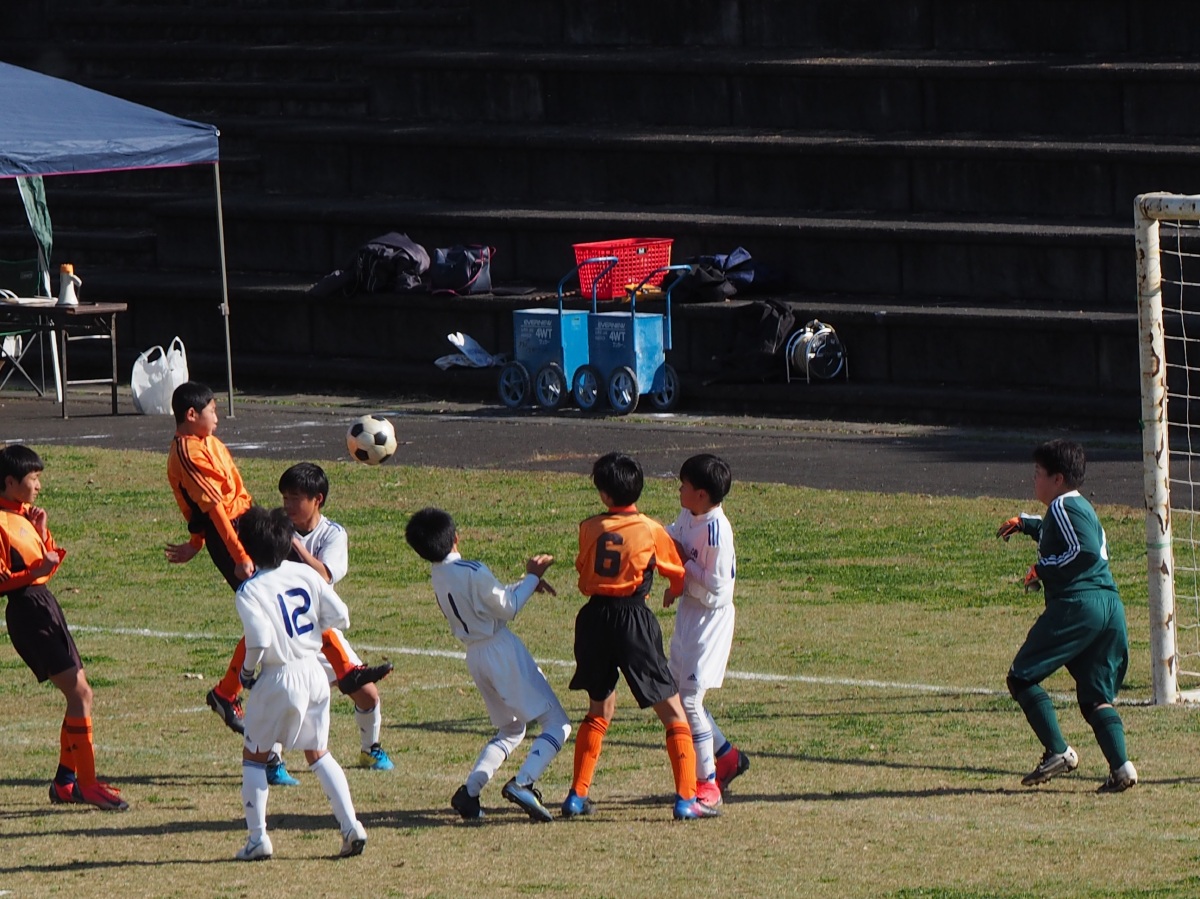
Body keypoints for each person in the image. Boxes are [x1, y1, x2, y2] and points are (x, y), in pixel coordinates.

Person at [165, 382, 389, 779]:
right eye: (213, 410)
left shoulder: (209, 442)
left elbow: (228, 497)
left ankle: (231, 693)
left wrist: (248, 530)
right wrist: (238, 556)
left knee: (289, 602)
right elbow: (212, 512)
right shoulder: (188, 452)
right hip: (232, 538)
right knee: (276, 608)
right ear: (192, 415)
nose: (218, 416)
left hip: (246, 525)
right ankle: (233, 697)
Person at [563, 451, 719, 821]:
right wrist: (673, 591)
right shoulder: (650, 529)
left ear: (604, 495)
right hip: (633, 618)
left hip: (593, 618)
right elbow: (676, 573)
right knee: (673, 710)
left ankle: (576, 795)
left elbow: (583, 570)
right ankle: (686, 799)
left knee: (599, 707)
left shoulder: (589, 527)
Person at [405, 506, 569, 823]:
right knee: (557, 723)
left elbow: (486, 601)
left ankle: (470, 792)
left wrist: (526, 585)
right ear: (456, 537)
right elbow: (507, 609)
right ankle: (523, 783)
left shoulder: (439, 574)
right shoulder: (473, 569)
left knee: (511, 729)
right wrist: (533, 575)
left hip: (476, 655)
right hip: (501, 651)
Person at [997, 438, 1138, 793]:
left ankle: (1058, 751)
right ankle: (1122, 768)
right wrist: (1027, 524)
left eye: (1038, 473)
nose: (1034, 479)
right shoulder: (1077, 507)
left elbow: (1083, 550)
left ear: (1057, 479)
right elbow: (1068, 537)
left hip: (1080, 605)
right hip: (1109, 607)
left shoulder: (1061, 506)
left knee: (1022, 677)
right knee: (1094, 699)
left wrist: (1042, 569)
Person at [233, 505, 367, 860]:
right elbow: (341, 616)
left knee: (254, 756)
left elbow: (258, 639)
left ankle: (258, 839)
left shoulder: (249, 590)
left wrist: (246, 673)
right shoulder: (306, 573)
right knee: (319, 753)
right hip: (314, 673)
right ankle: (351, 826)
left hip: (278, 676)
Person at [0, 444, 128, 811]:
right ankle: (85, 784)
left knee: (80, 694)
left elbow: (48, 564)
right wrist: (35, 571)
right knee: (80, 694)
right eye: (33, 478)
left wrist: (42, 533)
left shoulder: (25, 515)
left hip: (44, 605)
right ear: (10, 482)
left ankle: (66, 782)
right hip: (28, 612)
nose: (38, 485)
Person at [280, 462, 394, 772]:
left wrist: (294, 545)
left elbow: (325, 576)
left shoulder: (332, 534)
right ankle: (272, 761)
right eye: (285, 498)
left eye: (295, 498)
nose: (288, 505)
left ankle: (370, 750)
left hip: (323, 631)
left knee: (367, 694)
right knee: (287, 700)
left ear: (317, 499)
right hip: (288, 631)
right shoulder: (275, 528)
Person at [664, 453, 749, 809]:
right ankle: (727, 757)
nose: (679, 490)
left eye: (683, 485)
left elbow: (717, 585)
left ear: (701, 494)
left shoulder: (717, 531)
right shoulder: (689, 514)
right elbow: (671, 537)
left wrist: (683, 563)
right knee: (676, 693)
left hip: (711, 621)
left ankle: (708, 785)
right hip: (689, 612)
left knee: (690, 700)